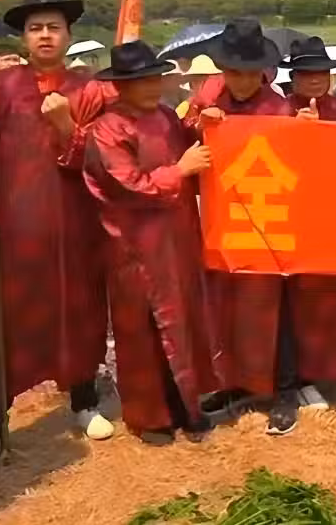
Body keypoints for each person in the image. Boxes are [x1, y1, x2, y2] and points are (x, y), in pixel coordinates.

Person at [0, 0, 116, 471]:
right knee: (8, 318)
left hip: (75, 222)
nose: (45, 35)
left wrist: (66, 126)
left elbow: (102, 160)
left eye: (53, 27)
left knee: (80, 308)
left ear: (68, 34)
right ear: (23, 37)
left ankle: (83, 399)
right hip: (15, 225)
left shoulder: (90, 90)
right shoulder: (0, 86)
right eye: (35, 28)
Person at [83, 41, 219, 445]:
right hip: (134, 243)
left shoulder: (164, 115)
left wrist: (204, 123)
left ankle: (187, 405)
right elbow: (127, 185)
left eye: (154, 78)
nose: (151, 86)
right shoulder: (107, 129)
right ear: (120, 85)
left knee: (183, 320)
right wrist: (180, 171)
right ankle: (150, 416)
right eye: (141, 80)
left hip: (177, 235)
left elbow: (189, 143)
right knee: (141, 329)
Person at [183, 20, 295, 435]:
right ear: (223, 71)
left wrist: (303, 129)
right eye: (235, 72)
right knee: (226, 304)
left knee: (275, 308)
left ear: (263, 71)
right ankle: (232, 383)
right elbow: (184, 142)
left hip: (272, 221)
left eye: (251, 73)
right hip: (225, 218)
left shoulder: (279, 108)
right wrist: (201, 124)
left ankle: (284, 392)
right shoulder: (209, 102)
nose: (243, 81)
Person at [282, 37, 336, 415]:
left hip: (335, 214)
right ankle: (302, 378)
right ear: (293, 77)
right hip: (294, 217)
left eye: (321, 72)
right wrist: (292, 131)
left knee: (332, 298)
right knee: (299, 300)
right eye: (306, 73)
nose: (315, 79)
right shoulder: (279, 110)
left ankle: (329, 369)